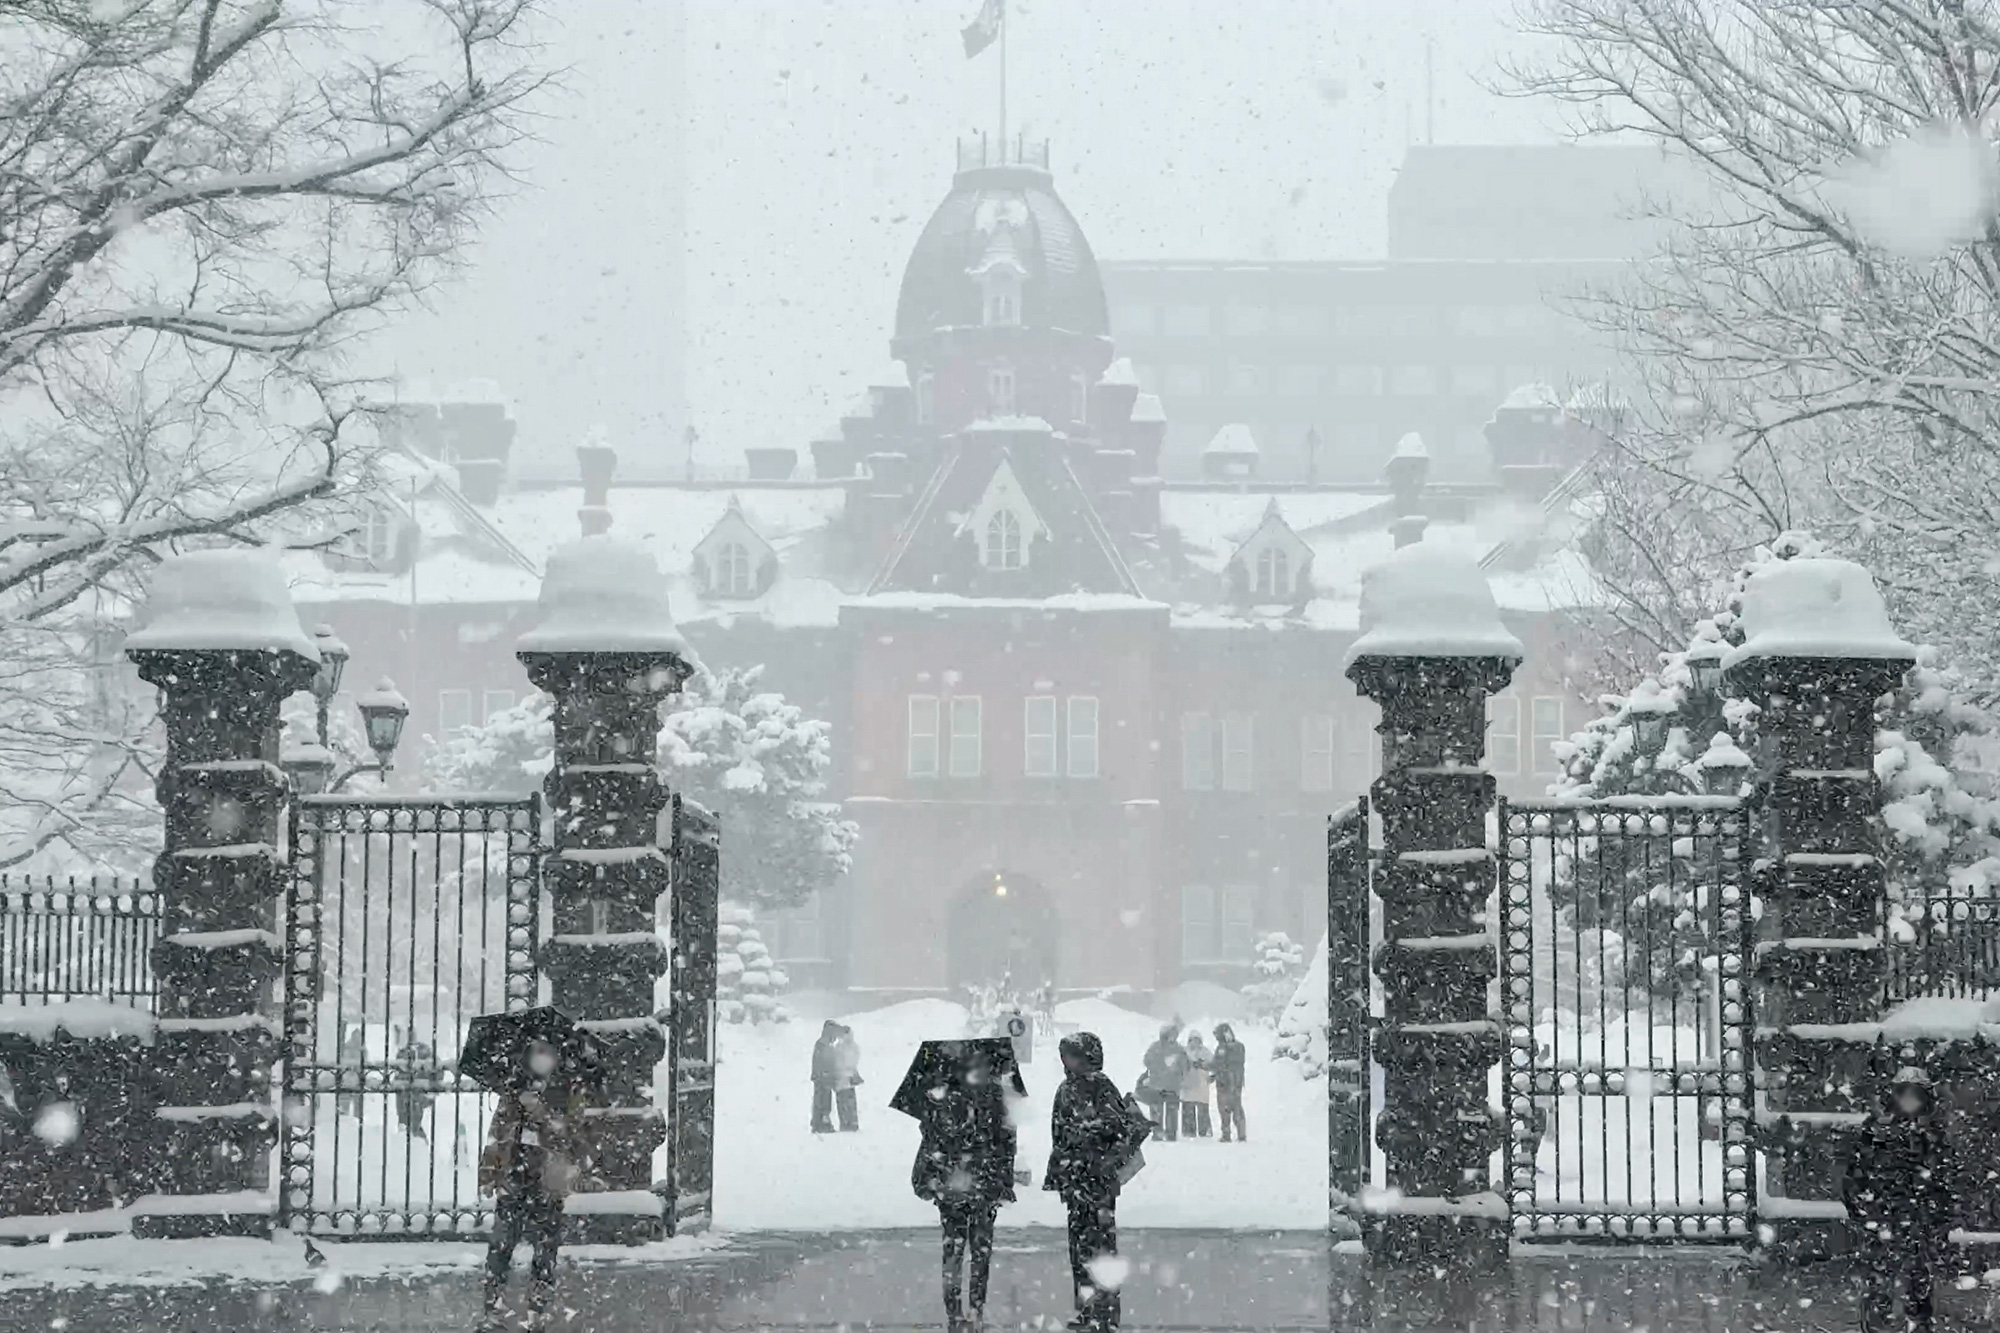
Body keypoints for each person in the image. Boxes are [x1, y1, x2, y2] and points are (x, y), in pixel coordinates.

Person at [478, 1037, 586, 1331]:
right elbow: (497, 1132)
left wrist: (543, 1115)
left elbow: (574, 1137)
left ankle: (538, 1310)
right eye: (536, 1051)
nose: (542, 1057)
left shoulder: (566, 1090)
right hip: (514, 1178)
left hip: (547, 1182)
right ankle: (492, 1309)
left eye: (547, 1051)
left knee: (545, 1249)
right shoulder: (513, 1089)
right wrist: (489, 1171)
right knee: (501, 1246)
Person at [912, 1042, 1019, 1333]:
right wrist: (1002, 1180)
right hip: (979, 1186)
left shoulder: (944, 1098)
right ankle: (973, 1311)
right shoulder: (996, 1098)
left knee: (955, 1251)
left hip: (954, 1187)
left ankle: (957, 1314)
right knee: (978, 1252)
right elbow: (1006, 1143)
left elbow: (932, 1140)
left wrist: (931, 1176)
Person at [1845, 1066, 1955, 1333]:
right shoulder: (1876, 1130)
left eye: (1915, 1095)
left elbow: (1946, 1179)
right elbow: (1855, 1176)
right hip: (1884, 1217)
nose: (1909, 1102)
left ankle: (1917, 1323)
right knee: (1879, 1282)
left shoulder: (1934, 1134)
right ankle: (1879, 1323)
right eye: (1903, 1094)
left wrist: (1939, 1217)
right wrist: (1865, 1210)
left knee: (1918, 1283)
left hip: (1918, 1222)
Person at [1047, 1032, 1140, 1333]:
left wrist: (1085, 1131)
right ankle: (1087, 1310)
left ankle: (1107, 1314)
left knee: (1102, 1251)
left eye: (1072, 1055)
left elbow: (1115, 1126)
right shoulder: (1065, 1089)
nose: (1067, 1061)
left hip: (1097, 1182)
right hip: (1075, 1181)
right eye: (1065, 1056)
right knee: (1079, 1252)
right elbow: (1058, 1131)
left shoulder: (1102, 1086)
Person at [1140, 1025, 1189, 1142]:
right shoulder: (1173, 1049)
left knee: (1166, 1111)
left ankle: (1164, 1133)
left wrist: (1176, 1071)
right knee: (1163, 1110)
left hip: (1166, 1085)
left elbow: (1186, 1066)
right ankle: (1163, 1132)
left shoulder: (1175, 1049)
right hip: (1163, 1085)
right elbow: (1147, 1061)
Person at [1211, 1023, 1247, 1144]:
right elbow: (1218, 1064)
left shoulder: (1233, 1047)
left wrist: (1218, 1070)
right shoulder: (1237, 1046)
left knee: (1229, 1108)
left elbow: (1220, 1064)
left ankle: (1231, 1134)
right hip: (1231, 1082)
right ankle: (1236, 1133)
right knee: (1230, 1108)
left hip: (1228, 1083)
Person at [810, 1020, 842, 1133]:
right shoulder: (823, 1044)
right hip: (822, 1079)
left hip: (823, 1078)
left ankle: (820, 1123)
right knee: (822, 1101)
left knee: (823, 1101)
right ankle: (819, 1124)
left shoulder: (825, 1044)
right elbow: (822, 1062)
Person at [1181, 1032, 1213, 1139]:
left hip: (1202, 1083)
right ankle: (1188, 1131)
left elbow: (1213, 1065)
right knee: (1188, 1108)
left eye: (1197, 1040)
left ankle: (1204, 1131)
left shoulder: (1206, 1052)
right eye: (1192, 1040)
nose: (1195, 1043)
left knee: (1203, 1108)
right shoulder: (1184, 1052)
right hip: (1188, 1084)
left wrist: (1203, 1065)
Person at [832, 1023, 863, 1132]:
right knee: (848, 1102)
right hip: (846, 1079)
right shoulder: (851, 1047)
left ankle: (847, 1123)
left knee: (845, 1102)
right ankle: (850, 1123)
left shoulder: (840, 1048)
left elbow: (838, 1063)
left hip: (844, 1079)